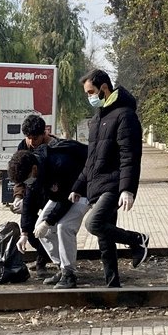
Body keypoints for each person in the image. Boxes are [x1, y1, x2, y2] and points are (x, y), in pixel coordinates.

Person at [69, 69, 149, 288]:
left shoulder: (125, 115)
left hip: (113, 185)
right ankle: (112, 285)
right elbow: (91, 160)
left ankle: (137, 240)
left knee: (93, 223)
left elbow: (130, 156)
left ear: (104, 88)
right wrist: (78, 186)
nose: (89, 97)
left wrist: (127, 189)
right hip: (97, 185)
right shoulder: (97, 119)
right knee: (105, 241)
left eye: (91, 92)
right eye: (87, 93)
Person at [8, 136, 90, 288]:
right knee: (39, 229)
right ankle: (62, 267)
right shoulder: (34, 170)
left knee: (64, 227)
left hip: (82, 191)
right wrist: (24, 233)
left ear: (33, 169)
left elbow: (67, 200)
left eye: (26, 180)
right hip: (62, 195)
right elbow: (29, 201)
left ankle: (69, 275)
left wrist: (48, 221)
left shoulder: (60, 164)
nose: (27, 183)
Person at [12, 114, 56, 274]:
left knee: (47, 228)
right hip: (31, 192)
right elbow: (19, 173)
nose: (31, 142)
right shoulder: (23, 146)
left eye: (35, 138)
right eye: (28, 138)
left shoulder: (54, 146)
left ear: (43, 134)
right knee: (29, 228)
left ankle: (42, 261)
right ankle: (42, 255)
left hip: (51, 193)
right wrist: (18, 196)